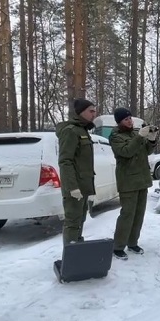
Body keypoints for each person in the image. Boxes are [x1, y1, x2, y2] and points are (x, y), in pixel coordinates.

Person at [109, 108, 158, 260]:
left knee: (138, 214)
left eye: (130, 118)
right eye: (126, 119)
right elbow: (126, 152)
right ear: (119, 121)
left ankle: (132, 242)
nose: (130, 121)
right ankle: (118, 246)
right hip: (128, 181)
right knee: (127, 214)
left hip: (142, 179)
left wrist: (151, 140)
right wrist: (139, 137)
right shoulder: (115, 136)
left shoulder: (134, 133)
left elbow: (146, 151)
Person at [56, 98, 98, 244]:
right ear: (81, 112)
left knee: (80, 219)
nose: (94, 114)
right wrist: (72, 187)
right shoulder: (71, 131)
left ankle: (78, 249)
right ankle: (71, 252)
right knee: (73, 222)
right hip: (74, 187)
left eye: (94, 111)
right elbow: (65, 161)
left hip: (83, 186)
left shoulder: (82, 130)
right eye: (91, 111)